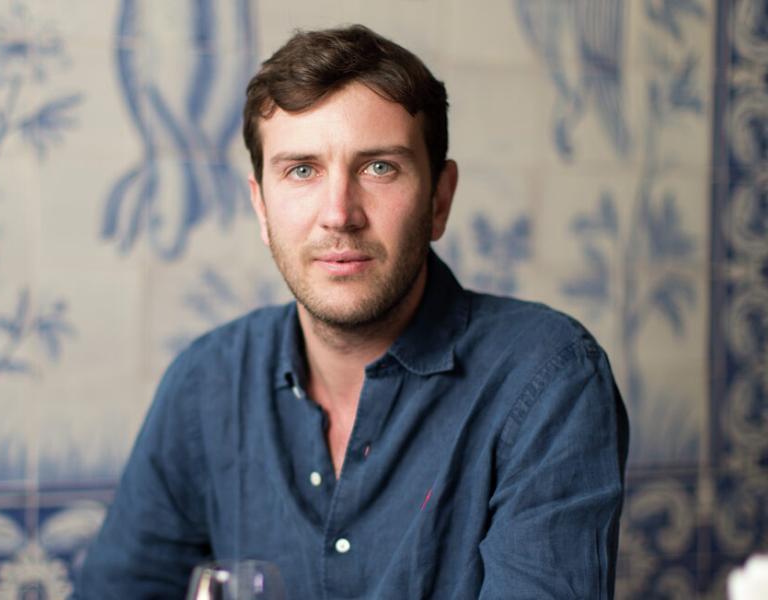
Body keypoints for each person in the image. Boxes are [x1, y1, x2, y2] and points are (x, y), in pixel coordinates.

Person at [79, 24, 629, 599]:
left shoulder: (549, 379)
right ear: (261, 208)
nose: (339, 214)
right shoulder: (206, 382)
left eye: (379, 167)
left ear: (439, 200)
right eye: (302, 170)